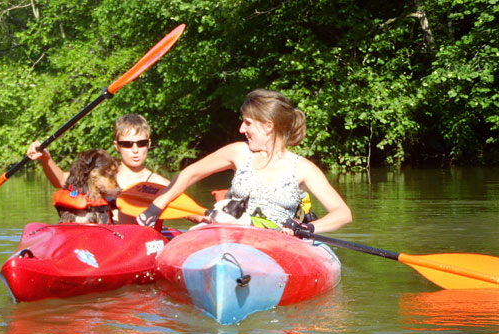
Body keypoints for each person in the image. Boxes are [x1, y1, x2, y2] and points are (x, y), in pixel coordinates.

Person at [137, 89, 352, 234]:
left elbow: (343, 214)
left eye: (247, 123)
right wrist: (156, 207)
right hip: (230, 236)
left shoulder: (303, 169)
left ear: (268, 126)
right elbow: (190, 174)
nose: (241, 129)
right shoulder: (239, 153)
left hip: (276, 243)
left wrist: (309, 228)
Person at [27, 114, 170, 224]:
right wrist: (45, 158)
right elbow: (61, 181)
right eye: (127, 144)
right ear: (117, 146)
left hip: (139, 248)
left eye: (141, 143)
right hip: (103, 244)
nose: (135, 150)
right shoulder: (103, 176)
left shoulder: (162, 185)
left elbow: (192, 213)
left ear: (149, 144)